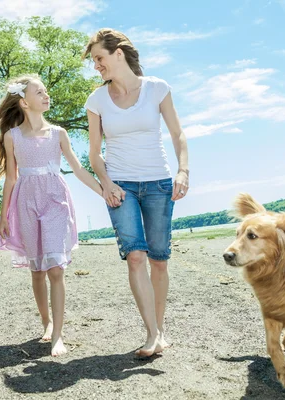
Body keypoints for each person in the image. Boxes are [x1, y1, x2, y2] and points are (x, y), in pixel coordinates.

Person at [83, 28, 190, 358]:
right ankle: (151, 334)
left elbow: (178, 135)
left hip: (158, 183)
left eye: (99, 58)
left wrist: (183, 170)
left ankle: (160, 328)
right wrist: (107, 183)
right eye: (93, 61)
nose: (96, 66)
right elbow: (94, 153)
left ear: (118, 53)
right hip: (121, 187)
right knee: (135, 256)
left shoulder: (157, 88)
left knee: (159, 261)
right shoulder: (97, 100)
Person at [0, 74, 103, 357]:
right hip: (26, 201)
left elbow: (78, 169)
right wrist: (4, 215)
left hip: (55, 199)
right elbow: (11, 178)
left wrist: (104, 190)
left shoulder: (58, 134)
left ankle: (58, 336)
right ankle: (46, 323)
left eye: (46, 91)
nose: (46, 95)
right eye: (39, 92)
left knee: (55, 268)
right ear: (24, 102)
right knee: (38, 269)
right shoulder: (12, 136)